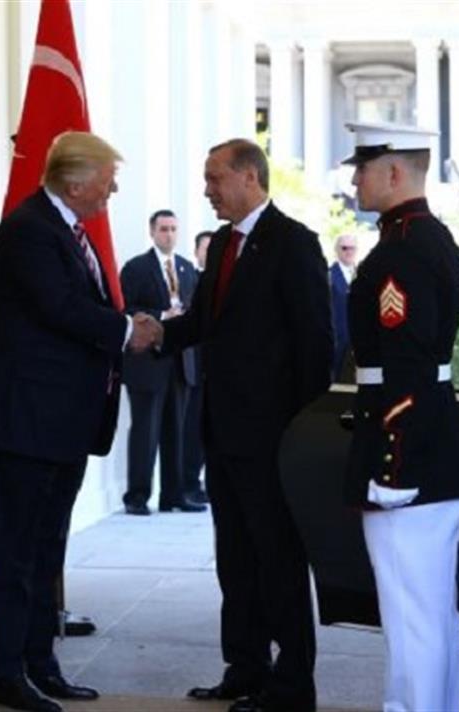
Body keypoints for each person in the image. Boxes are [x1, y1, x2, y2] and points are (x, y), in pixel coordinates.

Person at [0, 131, 160, 712]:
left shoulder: (68, 231)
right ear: (76, 184)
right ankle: (7, 674)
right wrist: (127, 331)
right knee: (13, 553)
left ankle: (40, 664)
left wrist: (127, 324)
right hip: (20, 422)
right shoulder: (29, 231)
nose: (112, 192)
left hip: (60, 423)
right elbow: (60, 309)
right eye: (107, 181)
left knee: (46, 550)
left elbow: (82, 307)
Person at [159, 139, 333, 712]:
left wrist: (302, 432)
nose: (207, 189)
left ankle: (292, 684)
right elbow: (203, 323)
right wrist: (153, 334)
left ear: (249, 178)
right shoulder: (224, 245)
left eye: (215, 178)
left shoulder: (294, 243)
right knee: (235, 559)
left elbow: (315, 344)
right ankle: (245, 666)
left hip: (273, 438)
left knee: (278, 561)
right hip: (224, 432)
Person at [340, 122, 459, 712]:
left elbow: (408, 368)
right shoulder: (428, 238)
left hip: (409, 458)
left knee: (412, 616)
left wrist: (393, 468)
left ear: (393, 172)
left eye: (362, 169)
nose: (354, 181)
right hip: (433, 447)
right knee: (432, 611)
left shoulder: (402, 251)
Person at [120, 210, 204, 515]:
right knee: (146, 431)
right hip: (147, 363)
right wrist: (161, 315)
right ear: (152, 232)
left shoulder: (186, 268)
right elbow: (126, 307)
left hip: (181, 361)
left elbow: (195, 309)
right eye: (164, 229)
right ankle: (137, 496)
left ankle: (174, 495)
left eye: (173, 229)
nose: (169, 235)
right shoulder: (136, 268)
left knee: (176, 431)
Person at [181, 230, 213, 504]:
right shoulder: (189, 278)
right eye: (206, 249)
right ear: (197, 252)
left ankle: (200, 482)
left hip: (216, 369)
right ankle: (188, 483)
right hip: (191, 367)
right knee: (191, 429)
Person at [330, 234, 358, 381]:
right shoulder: (328, 275)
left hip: (358, 342)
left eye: (352, 248)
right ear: (337, 250)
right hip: (337, 341)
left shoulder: (363, 274)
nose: (349, 251)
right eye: (344, 248)